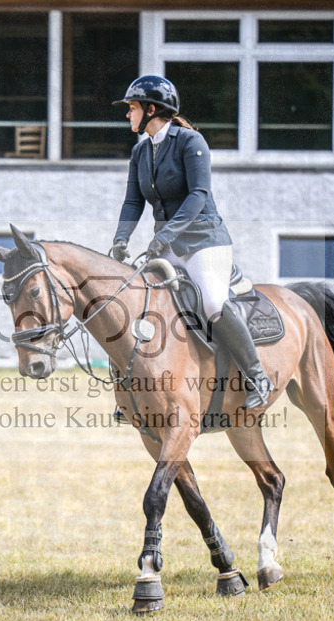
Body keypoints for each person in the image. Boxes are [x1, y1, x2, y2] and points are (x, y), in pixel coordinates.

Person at [111, 75, 273, 409]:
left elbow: (198, 194)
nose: (128, 114)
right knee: (142, 302)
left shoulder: (191, 141)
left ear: (152, 109)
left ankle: (258, 376)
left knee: (213, 303)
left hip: (204, 241)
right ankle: (135, 387)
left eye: (132, 108)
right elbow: (132, 202)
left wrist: (166, 236)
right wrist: (120, 240)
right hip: (167, 245)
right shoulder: (141, 151)